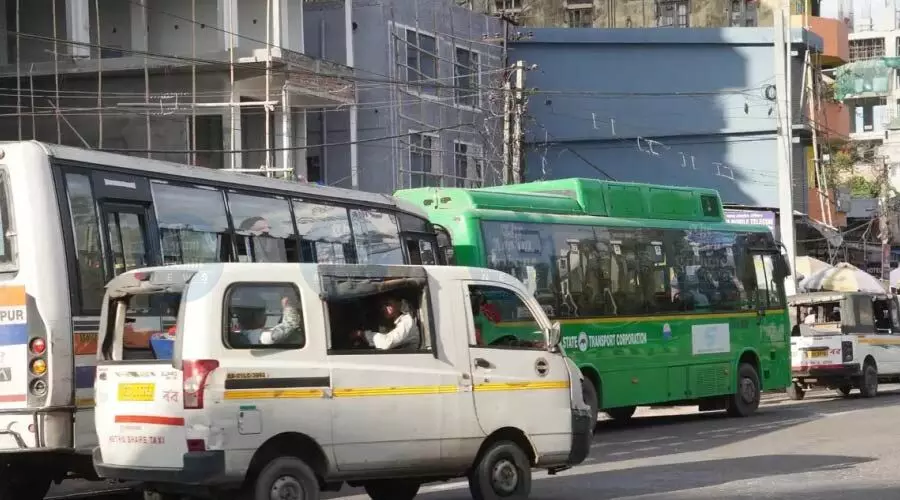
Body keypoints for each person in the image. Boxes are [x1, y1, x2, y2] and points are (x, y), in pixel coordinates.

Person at [353, 297, 419, 350]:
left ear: (399, 302)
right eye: (381, 306)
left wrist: (362, 334)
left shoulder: (407, 321)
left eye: (387, 303)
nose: (383, 308)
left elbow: (386, 343)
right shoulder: (398, 322)